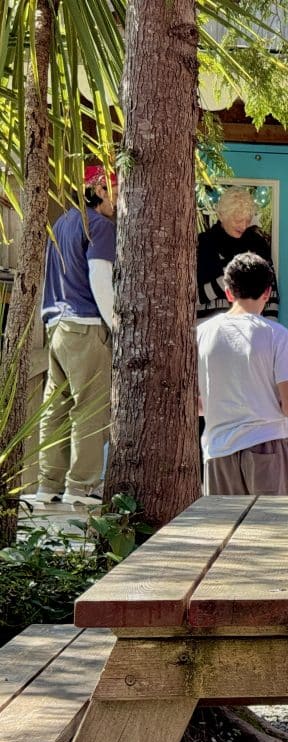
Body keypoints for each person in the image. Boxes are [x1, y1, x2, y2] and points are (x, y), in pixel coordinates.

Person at [35, 164, 118, 507]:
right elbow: (100, 279)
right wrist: (117, 325)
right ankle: (81, 489)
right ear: (100, 189)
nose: (118, 198)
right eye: (115, 188)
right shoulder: (99, 226)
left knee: (55, 408)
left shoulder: (63, 221)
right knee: (89, 410)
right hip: (85, 326)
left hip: (55, 325)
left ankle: (48, 485)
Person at [197, 252, 288, 495]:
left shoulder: (202, 334)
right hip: (268, 444)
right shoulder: (278, 335)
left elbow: (197, 404)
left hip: (218, 448)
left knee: (225, 528)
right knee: (271, 529)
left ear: (228, 292)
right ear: (267, 292)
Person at [197, 187, 279, 320]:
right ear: (222, 216)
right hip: (209, 329)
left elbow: (271, 293)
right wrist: (233, 276)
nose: (243, 226)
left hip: (249, 328)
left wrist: (271, 328)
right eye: (238, 220)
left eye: (247, 220)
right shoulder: (203, 244)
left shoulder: (258, 245)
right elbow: (194, 297)